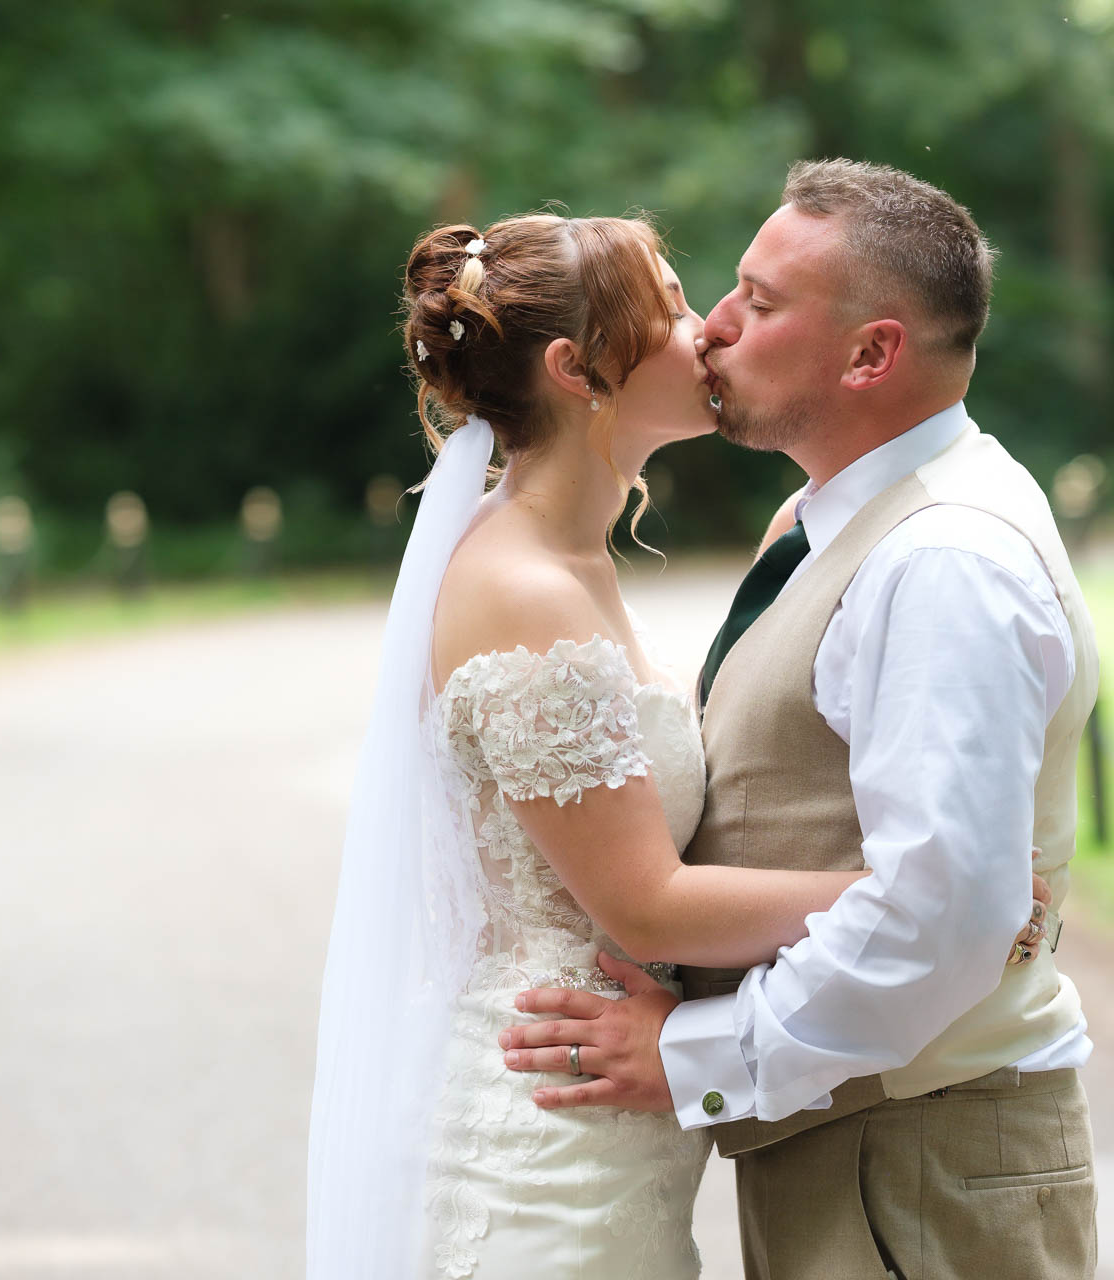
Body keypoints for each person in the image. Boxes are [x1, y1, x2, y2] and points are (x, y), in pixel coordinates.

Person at [304, 209, 1053, 1279]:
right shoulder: (522, 587)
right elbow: (644, 904)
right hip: (551, 1132)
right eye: (671, 308)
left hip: (619, 1125)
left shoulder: (575, 562)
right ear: (577, 369)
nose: (709, 329)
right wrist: (927, 897)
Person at [502, 159, 1102, 1280]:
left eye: (762, 303)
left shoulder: (943, 563)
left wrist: (695, 1056)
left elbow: (944, 913)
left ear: (871, 354)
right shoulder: (830, 520)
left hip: (919, 1157)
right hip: (866, 1136)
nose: (714, 326)